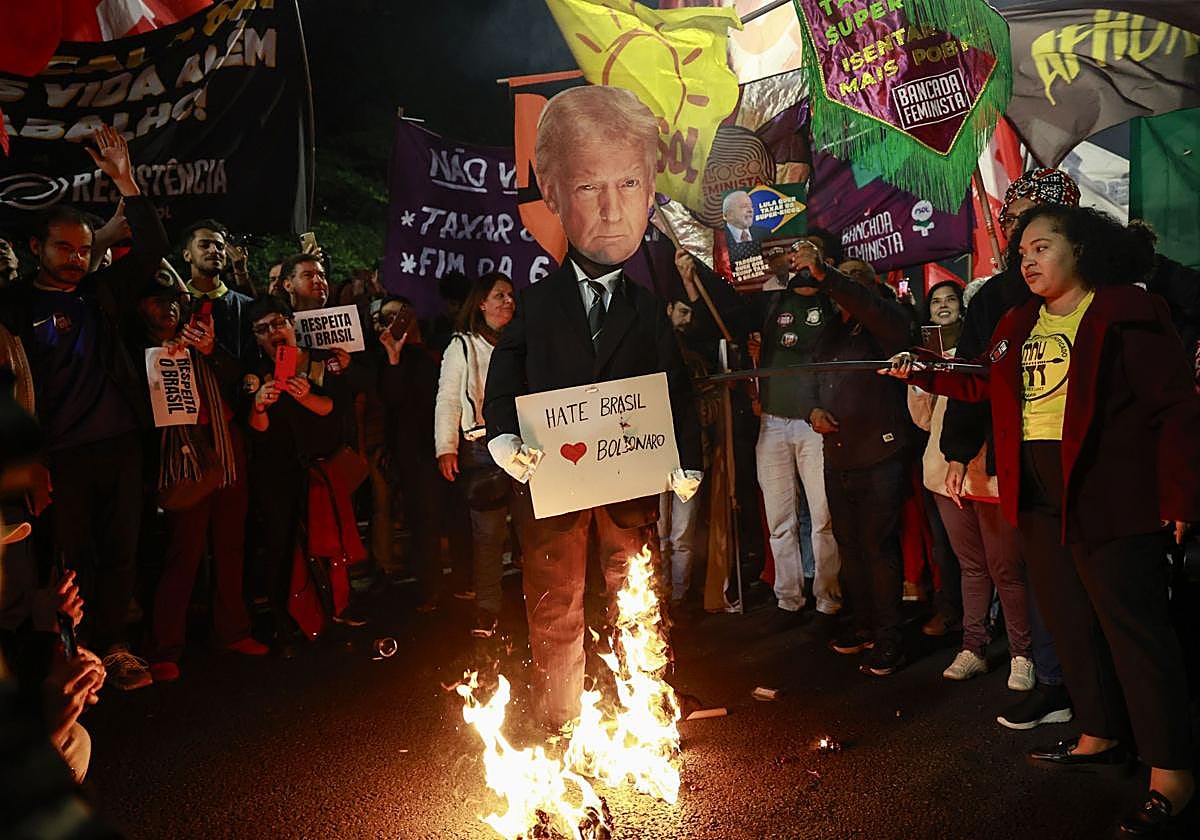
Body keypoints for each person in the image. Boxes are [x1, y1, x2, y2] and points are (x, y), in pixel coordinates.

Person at [884, 205, 1199, 836]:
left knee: (1134, 629)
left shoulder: (1125, 312)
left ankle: (1173, 773)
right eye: (1021, 250)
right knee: (1071, 622)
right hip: (1032, 490)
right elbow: (981, 381)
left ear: (1080, 250)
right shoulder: (1015, 322)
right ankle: (1099, 733)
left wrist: (1180, 500)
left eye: (1042, 246)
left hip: (1109, 491)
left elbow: (1174, 410)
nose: (1026, 260)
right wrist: (924, 368)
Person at [484, 85, 702, 731]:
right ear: (552, 192)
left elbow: (676, 387)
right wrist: (501, 438)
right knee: (556, 602)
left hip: (628, 489)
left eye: (629, 183)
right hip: (554, 485)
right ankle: (562, 719)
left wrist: (685, 459)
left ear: (650, 187)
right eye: (588, 188)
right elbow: (505, 373)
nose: (611, 210)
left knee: (636, 593)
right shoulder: (536, 303)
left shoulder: (648, 309)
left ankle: (646, 706)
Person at [0, 126, 167, 691]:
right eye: (62, 248)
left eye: (83, 248)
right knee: (70, 561)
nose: (75, 258)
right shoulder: (14, 308)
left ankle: (115, 649)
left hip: (119, 444)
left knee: (122, 552)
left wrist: (124, 178)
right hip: (58, 456)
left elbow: (150, 247)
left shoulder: (102, 294)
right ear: (35, 249)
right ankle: (77, 656)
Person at [940, 168, 1081, 730]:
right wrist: (956, 447)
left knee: (1103, 587)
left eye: (1038, 237)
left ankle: (1110, 705)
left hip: (1094, 463)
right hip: (1025, 461)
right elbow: (977, 379)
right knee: (1044, 575)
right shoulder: (1000, 301)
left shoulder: (1116, 295)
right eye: (1015, 234)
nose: (1022, 246)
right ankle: (1056, 685)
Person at [789, 237, 914, 676]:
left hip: (881, 452)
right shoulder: (831, 330)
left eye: (854, 281)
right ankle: (862, 625)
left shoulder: (888, 323)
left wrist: (834, 278)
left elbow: (876, 313)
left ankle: (890, 639)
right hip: (838, 454)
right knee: (850, 546)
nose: (844, 289)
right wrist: (812, 410)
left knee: (879, 547)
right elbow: (808, 378)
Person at [134, 277, 268, 682]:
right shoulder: (137, 351)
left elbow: (240, 384)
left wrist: (209, 351)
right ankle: (164, 647)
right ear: (141, 309)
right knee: (184, 551)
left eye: (175, 301)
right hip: (184, 458)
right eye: (159, 302)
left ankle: (232, 630)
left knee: (230, 545)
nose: (169, 309)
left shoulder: (206, 342)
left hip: (226, 451)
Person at [907, 279, 1034, 691]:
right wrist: (917, 378)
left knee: (1006, 569)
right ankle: (973, 646)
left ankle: (1023, 654)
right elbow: (924, 420)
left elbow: (989, 400)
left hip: (994, 476)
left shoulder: (1005, 352)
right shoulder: (948, 358)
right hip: (948, 474)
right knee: (972, 567)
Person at [243, 296, 354, 654]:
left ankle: (334, 612)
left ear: (292, 324)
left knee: (326, 541)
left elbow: (335, 409)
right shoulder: (254, 372)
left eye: (278, 324)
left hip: (320, 466)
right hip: (276, 473)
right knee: (281, 545)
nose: (273, 333)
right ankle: (286, 621)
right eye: (263, 330)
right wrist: (260, 404)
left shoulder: (321, 361)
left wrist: (306, 396)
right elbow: (255, 428)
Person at [434, 273, 517, 635]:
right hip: (482, 447)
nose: (507, 301)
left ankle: (545, 603)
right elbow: (449, 399)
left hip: (526, 443)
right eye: (499, 295)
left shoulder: (521, 341)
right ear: (480, 303)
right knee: (488, 532)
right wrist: (446, 448)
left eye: (511, 295)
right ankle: (487, 608)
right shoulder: (463, 346)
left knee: (536, 528)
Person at [379, 295, 472, 608]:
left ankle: (464, 580)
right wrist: (393, 358)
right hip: (416, 454)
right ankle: (429, 590)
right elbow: (391, 401)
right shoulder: (389, 358)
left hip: (453, 445)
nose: (393, 322)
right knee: (425, 523)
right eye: (384, 318)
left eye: (397, 313)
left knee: (459, 514)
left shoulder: (443, 345)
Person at [180, 219, 253, 359]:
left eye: (220, 247)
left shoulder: (244, 306)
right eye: (204, 245)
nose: (214, 250)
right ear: (187, 255)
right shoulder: (176, 304)